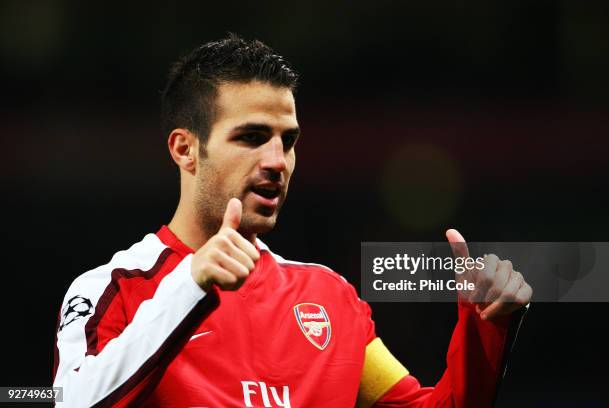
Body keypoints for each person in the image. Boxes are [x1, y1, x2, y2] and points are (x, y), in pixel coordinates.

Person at [53, 34, 532, 407]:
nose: (277, 160)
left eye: (288, 140)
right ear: (186, 149)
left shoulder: (329, 300)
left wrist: (485, 328)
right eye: (252, 137)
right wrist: (191, 285)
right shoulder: (115, 289)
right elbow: (73, 401)